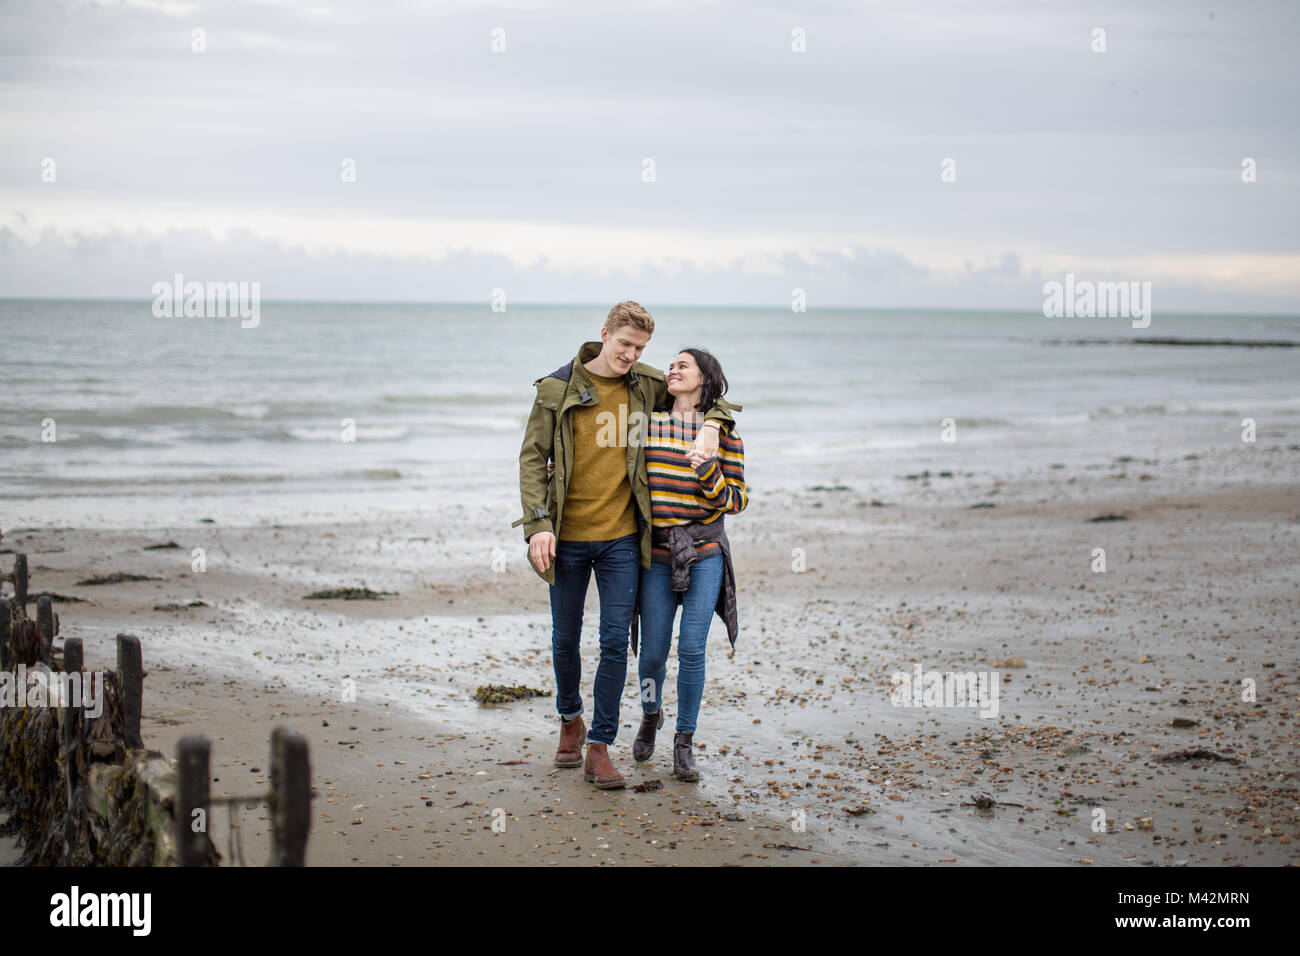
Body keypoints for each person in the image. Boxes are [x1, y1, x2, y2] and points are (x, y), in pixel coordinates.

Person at [513, 301, 740, 790]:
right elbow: (533, 458)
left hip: (622, 538)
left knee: (617, 642)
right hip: (566, 535)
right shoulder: (556, 390)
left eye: (640, 349)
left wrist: (712, 427)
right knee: (565, 638)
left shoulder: (646, 381)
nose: (631, 356)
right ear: (604, 335)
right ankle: (570, 719)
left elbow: (711, 393)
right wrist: (538, 525)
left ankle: (600, 745)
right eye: (624, 345)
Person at [627, 348, 746, 781]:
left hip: (705, 553)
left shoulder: (725, 434)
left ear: (704, 379)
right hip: (657, 555)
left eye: (684, 365)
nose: (673, 370)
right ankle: (649, 713)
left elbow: (737, 500)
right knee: (652, 655)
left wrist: (709, 473)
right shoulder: (647, 425)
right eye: (670, 365)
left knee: (693, 649)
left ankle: (684, 742)